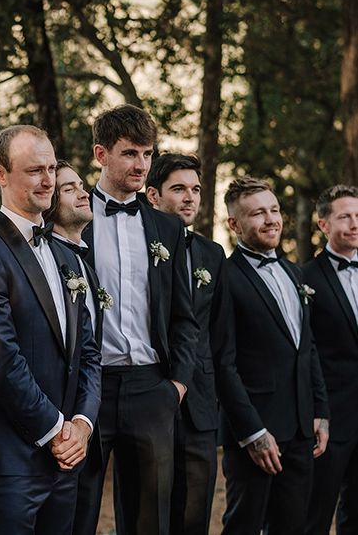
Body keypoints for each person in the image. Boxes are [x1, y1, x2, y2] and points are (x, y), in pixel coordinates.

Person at [0, 125, 101, 535]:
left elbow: (88, 352)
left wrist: (83, 426)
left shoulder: (64, 254)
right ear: (1, 175)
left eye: (52, 168)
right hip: (7, 459)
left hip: (65, 457)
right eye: (35, 170)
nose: (49, 180)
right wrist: (56, 431)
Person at [74, 105, 198, 535]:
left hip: (152, 389)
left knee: (151, 521)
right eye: (129, 153)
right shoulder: (68, 216)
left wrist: (176, 386)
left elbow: (184, 315)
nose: (141, 165)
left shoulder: (168, 229)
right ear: (100, 154)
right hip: (88, 389)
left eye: (147, 154)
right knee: (78, 509)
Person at [219, 176, 329, 534]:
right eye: (258, 214)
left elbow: (307, 347)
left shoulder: (293, 272)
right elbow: (224, 363)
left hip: (300, 431)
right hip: (255, 433)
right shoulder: (226, 278)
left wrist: (320, 412)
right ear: (234, 224)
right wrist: (252, 433)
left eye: (275, 210)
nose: (271, 220)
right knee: (244, 525)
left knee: (292, 526)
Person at [145, 153, 230, 535]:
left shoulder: (213, 253)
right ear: (153, 195)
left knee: (195, 515)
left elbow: (219, 333)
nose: (189, 197)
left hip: (200, 403)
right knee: (150, 514)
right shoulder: (137, 246)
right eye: (178, 189)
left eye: (195, 189)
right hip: (147, 394)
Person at [304, 185, 358, 535]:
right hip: (331, 419)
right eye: (344, 217)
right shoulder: (306, 277)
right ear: (323, 225)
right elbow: (305, 352)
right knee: (315, 515)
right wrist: (315, 412)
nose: (354, 223)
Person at [43, 160, 105, 346]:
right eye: (69, 190)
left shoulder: (87, 266)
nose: (84, 194)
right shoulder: (45, 259)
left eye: (81, 186)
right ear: (49, 200)